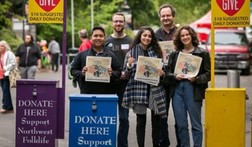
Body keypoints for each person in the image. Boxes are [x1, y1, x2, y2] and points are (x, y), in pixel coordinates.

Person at [164, 26, 210, 147]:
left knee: (196, 124)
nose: (185, 37)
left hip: (193, 90)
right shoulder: (175, 54)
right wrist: (175, 76)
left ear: (192, 36)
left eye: (187, 34)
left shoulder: (202, 53)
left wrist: (196, 79)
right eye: (182, 35)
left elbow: (208, 74)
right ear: (179, 38)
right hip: (177, 90)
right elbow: (167, 73)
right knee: (181, 125)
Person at [122, 26, 167, 147]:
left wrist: (162, 74)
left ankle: (155, 145)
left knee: (156, 122)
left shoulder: (157, 52)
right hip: (138, 90)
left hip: (155, 90)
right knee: (140, 122)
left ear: (152, 38)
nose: (147, 38)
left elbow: (164, 73)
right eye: (144, 35)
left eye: (149, 36)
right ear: (140, 36)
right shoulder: (131, 53)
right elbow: (125, 74)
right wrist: (130, 65)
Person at [105, 12, 132, 147]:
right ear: (112, 23)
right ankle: (107, 143)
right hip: (108, 85)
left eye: (121, 21)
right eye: (116, 21)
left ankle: (122, 144)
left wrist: (127, 73)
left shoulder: (131, 42)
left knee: (124, 118)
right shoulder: (106, 42)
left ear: (124, 23)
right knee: (107, 118)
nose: (118, 24)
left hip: (125, 86)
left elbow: (136, 62)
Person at [70, 26, 121, 94]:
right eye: (95, 36)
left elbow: (119, 72)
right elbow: (73, 70)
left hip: (106, 95)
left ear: (104, 38)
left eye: (101, 36)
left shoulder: (111, 55)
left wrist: (112, 73)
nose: (98, 38)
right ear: (91, 38)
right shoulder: (82, 55)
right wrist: (82, 73)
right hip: (87, 94)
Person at [155, 4, 179, 147]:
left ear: (173, 16)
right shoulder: (156, 35)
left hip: (178, 79)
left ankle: (181, 143)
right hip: (161, 79)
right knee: (162, 115)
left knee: (179, 115)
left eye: (168, 15)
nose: (165, 18)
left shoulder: (181, 33)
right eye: (163, 16)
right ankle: (164, 142)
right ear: (160, 17)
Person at [0, 40, 17, 114]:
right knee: (5, 91)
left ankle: (5, 107)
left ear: (5, 46)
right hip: (0, 75)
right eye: (0, 46)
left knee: (5, 90)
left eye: (2, 46)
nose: (0, 47)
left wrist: (5, 68)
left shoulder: (9, 54)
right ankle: (10, 107)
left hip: (7, 74)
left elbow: (13, 63)